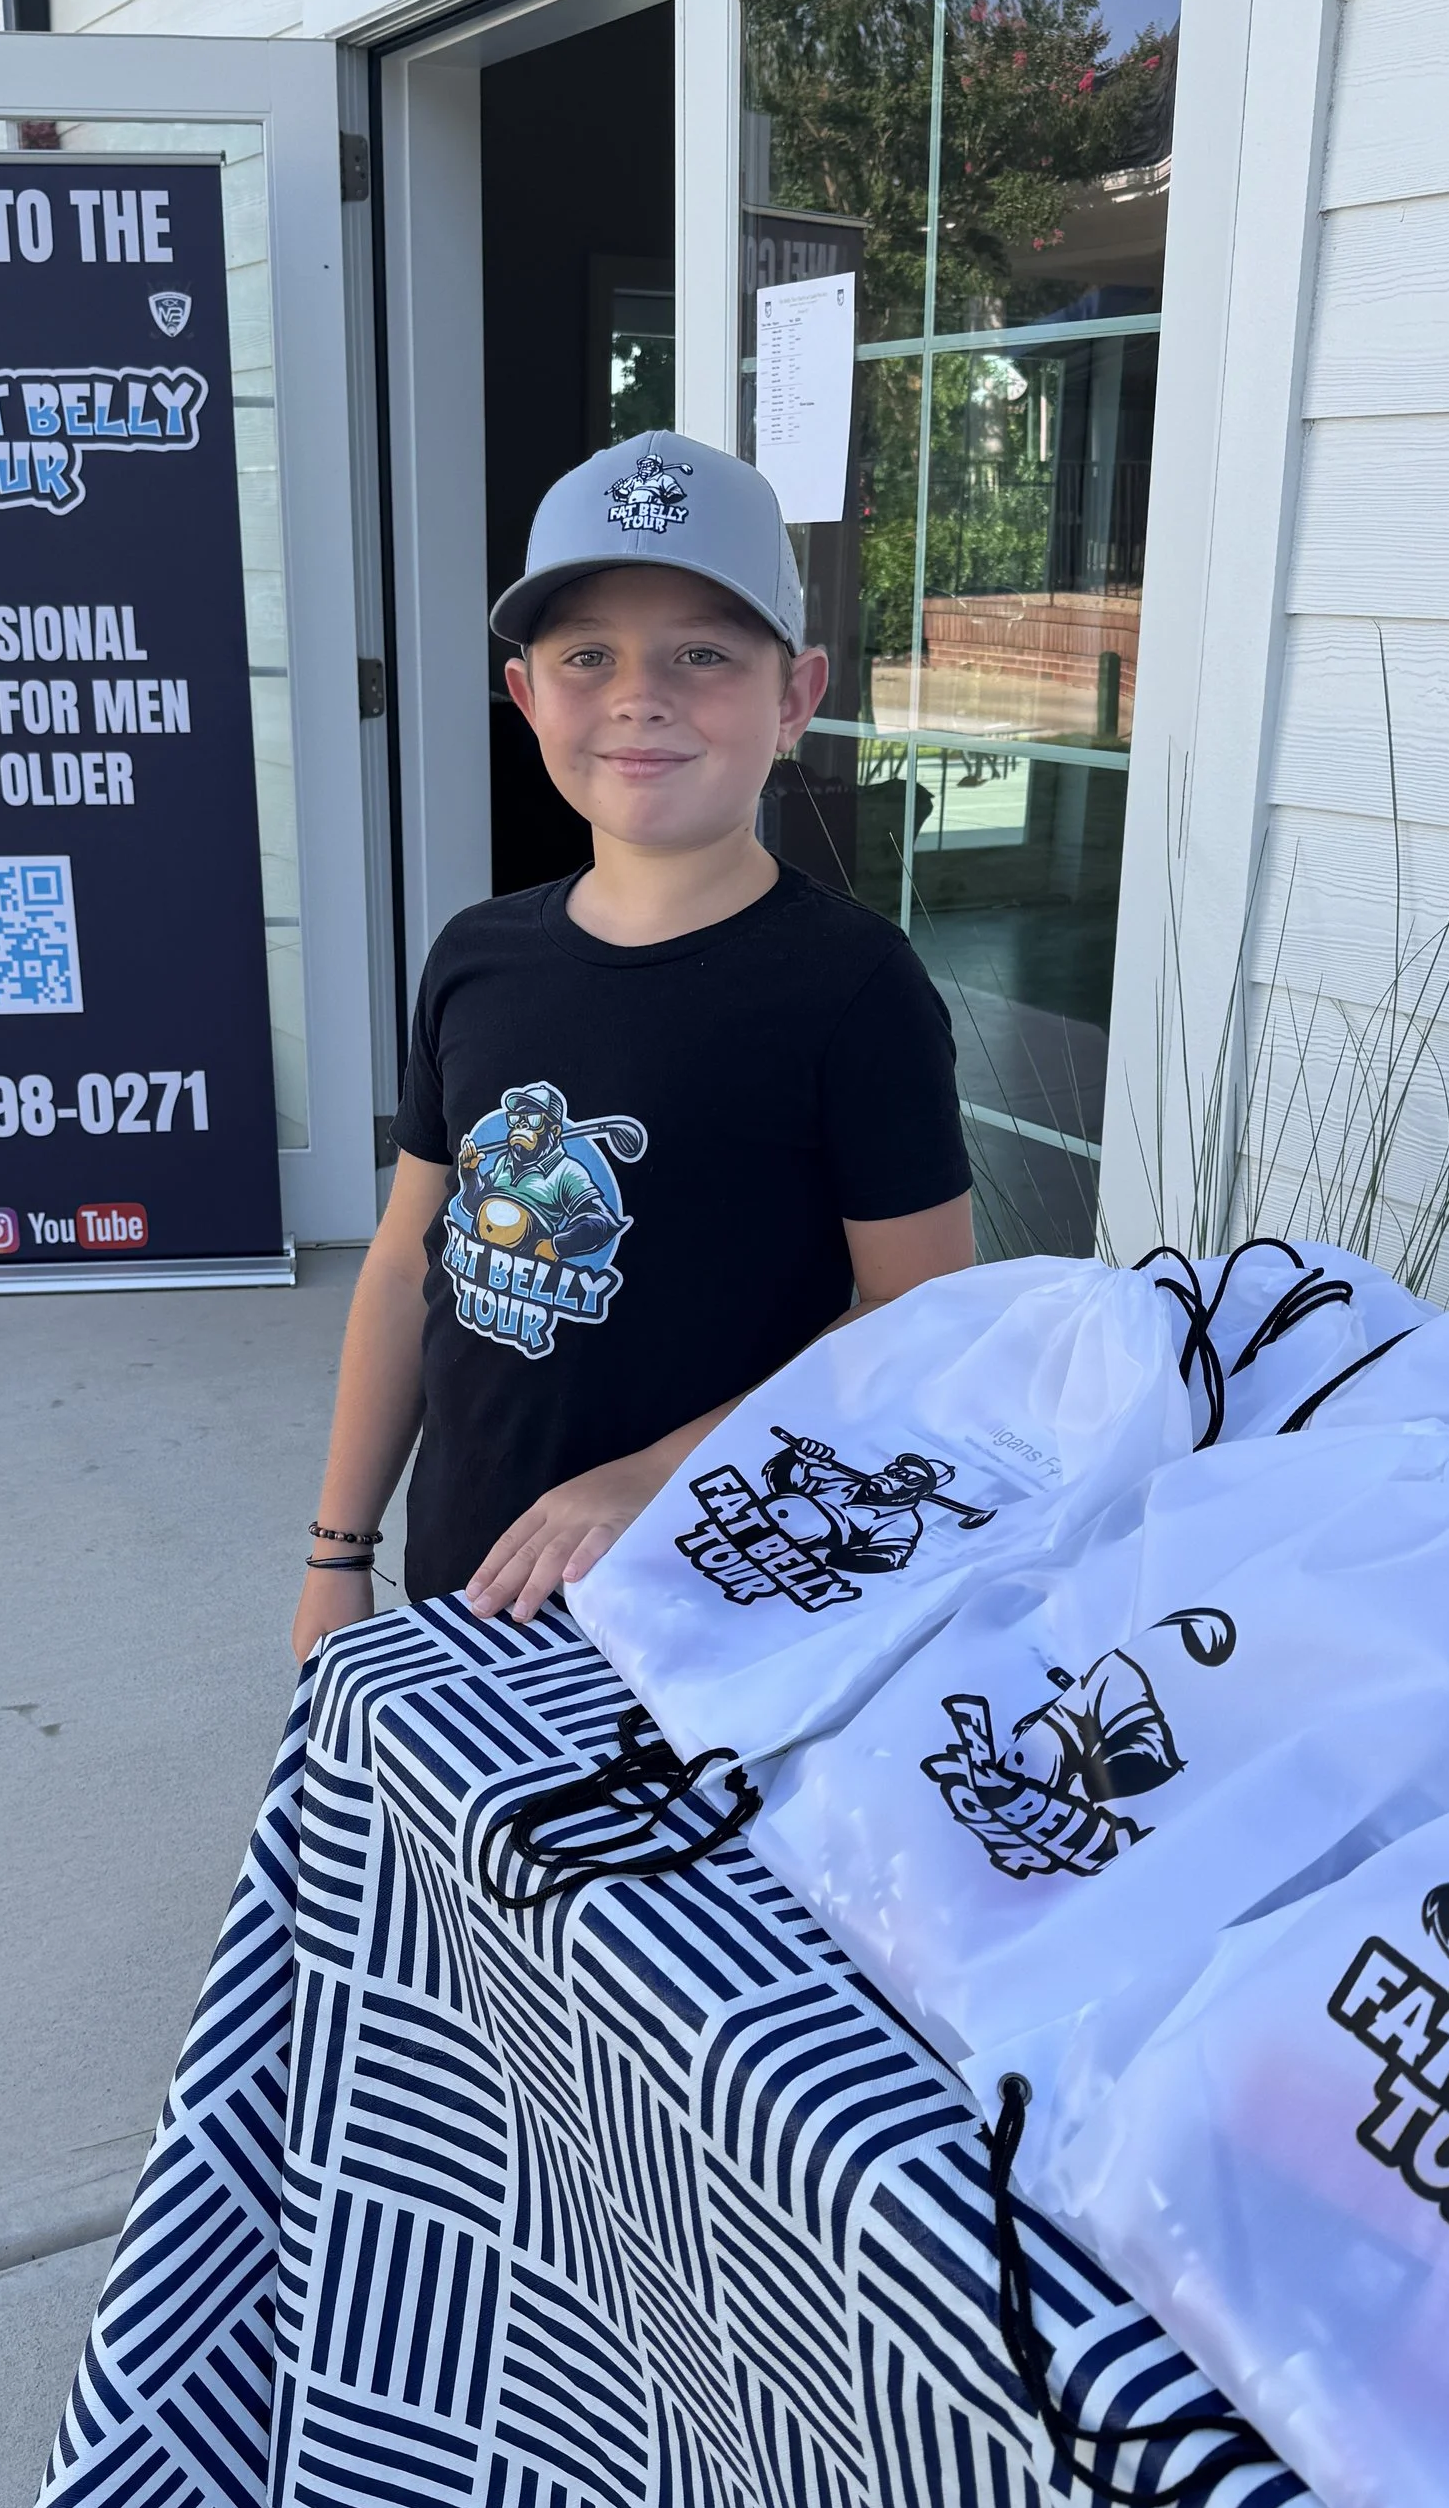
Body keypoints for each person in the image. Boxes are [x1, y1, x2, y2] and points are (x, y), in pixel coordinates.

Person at [294, 427, 977, 1662]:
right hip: (467, 1578)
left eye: (702, 654)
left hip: (718, 1591)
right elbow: (406, 1267)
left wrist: (657, 1472)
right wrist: (340, 1555)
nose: (637, 695)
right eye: (587, 656)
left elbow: (914, 1309)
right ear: (526, 696)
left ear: (797, 699)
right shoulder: (474, 957)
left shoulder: (853, 987)